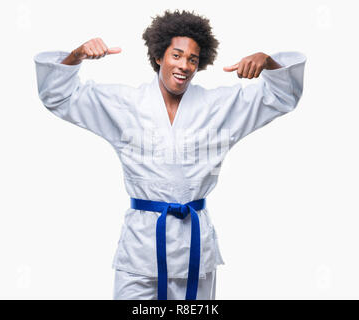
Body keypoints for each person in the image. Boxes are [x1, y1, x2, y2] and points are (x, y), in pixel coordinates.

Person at [34, 9, 307, 300]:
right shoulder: (126, 104)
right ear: (158, 57)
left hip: (194, 250)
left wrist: (269, 62)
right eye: (176, 55)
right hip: (140, 251)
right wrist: (76, 56)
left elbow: (282, 96)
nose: (185, 65)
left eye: (193, 59)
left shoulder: (218, 107)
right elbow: (57, 95)